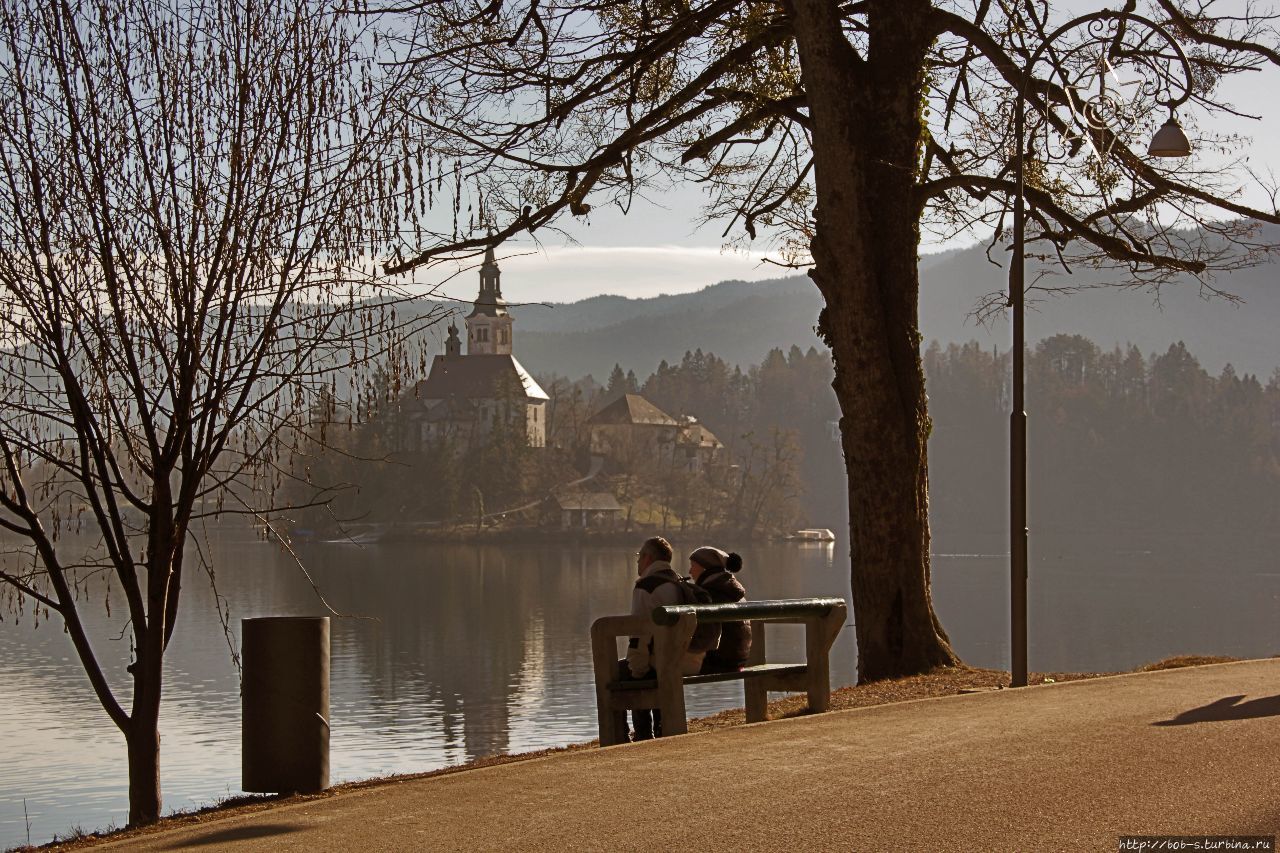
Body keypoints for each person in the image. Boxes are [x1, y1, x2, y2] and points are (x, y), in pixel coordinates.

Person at [621, 536, 706, 739]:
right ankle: (661, 727)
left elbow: (638, 636)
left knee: (621, 671)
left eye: (639, 556)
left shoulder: (646, 587)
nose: (637, 561)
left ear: (648, 558)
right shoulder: (678, 583)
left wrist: (637, 669)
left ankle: (635, 734)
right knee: (657, 658)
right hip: (687, 659)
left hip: (664, 662)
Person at [689, 546, 752, 672]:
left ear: (704, 568)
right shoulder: (730, 589)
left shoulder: (710, 593)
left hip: (718, 661)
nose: (690, 571)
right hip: (739, 659)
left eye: (693, 566)